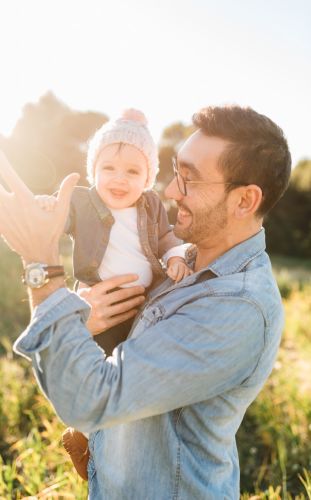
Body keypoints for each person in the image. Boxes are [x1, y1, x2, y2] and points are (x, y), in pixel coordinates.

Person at [0, 105, 291, 499]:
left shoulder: (236, 306)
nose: (170, 191)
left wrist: (41, 264)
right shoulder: (182, 260)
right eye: (175, 171)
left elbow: (92, 399)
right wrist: (82, 319)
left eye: (189, 179)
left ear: (244, 201)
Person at [35, 108, 192, 478]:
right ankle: (86, 438)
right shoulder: (83, 203)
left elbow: (168, 237)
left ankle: (124, 445)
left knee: (131, 375)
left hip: (142, 308)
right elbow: (57, 218)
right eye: (108, 169)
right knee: (92, 369)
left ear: (148, 178)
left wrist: (174, 256)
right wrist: (46, 208)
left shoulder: (151, 205)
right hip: (99, 304)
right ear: (94, 172)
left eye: (133, 172)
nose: (119, 180)